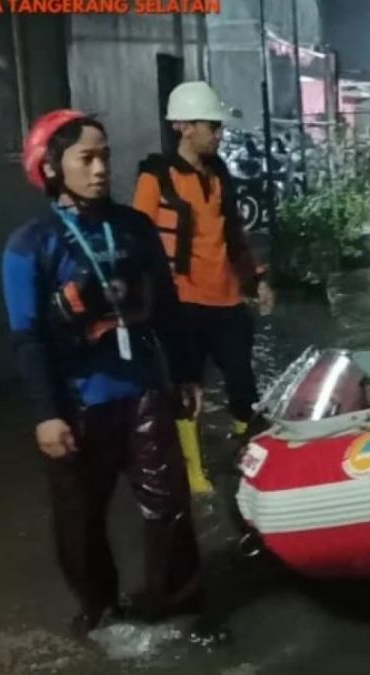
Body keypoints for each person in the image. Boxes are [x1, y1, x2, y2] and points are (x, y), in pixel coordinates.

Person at [1, 110, 203, 636]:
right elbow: (27, 337)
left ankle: (174, 606)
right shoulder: (30, 245)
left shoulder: (134, 227)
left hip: (142, 391)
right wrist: (46, 414)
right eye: (86, 158)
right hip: (77, 403)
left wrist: (184, 374)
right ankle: (100, 612)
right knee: (79, 518)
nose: (100, 169)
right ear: (51, 166)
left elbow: (168, 308)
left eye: (104, 156)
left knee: (169, 506)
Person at [133, 81, 274, 496]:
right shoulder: (156, 178)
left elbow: (235, 236)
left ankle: (249, 449)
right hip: (182, 305)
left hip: (228, 299)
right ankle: (194, 471)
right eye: (212, 126)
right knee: (187, 388)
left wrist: (257, 279)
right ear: (184, 127)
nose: (219, 134)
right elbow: (140, 240)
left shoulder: (220, 176)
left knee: (242, 382)